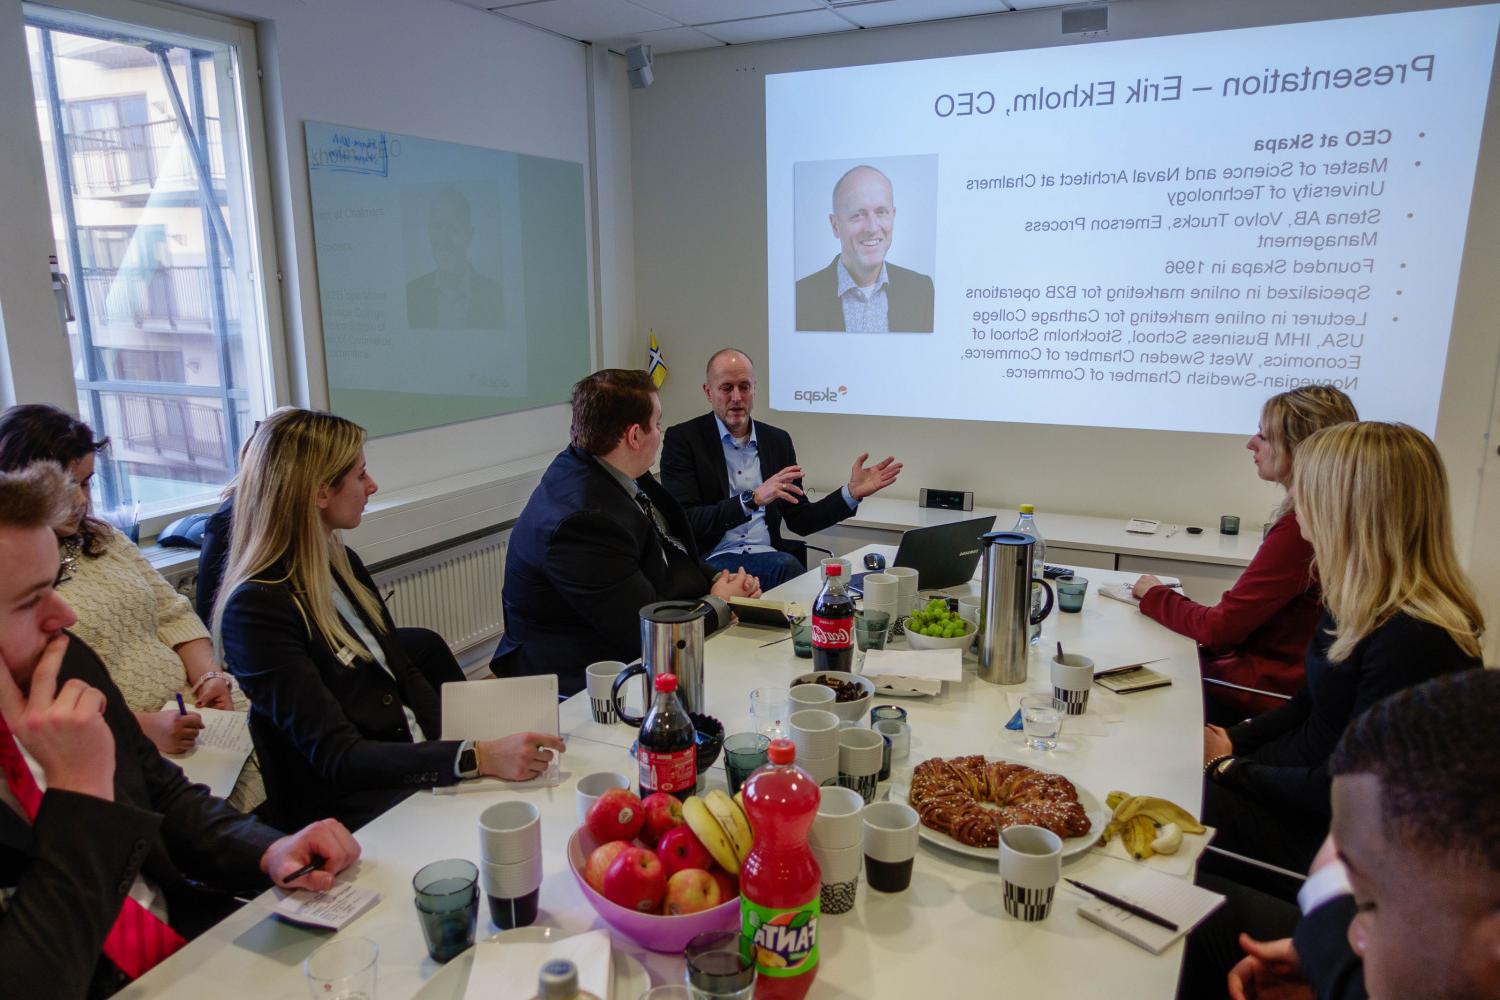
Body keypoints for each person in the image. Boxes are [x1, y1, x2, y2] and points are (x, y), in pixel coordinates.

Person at [0, 461, 360, 998]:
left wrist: (267, 849)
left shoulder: (60, 660)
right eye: (30, 601)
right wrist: (83, 799)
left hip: (184, 947)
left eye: (53, 586)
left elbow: (162, 792)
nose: (65, 616)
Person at [214, 409, 561, 831]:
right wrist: (476, 757)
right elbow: (338, 756)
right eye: (360, 475)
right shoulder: (256, 611)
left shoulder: (342, 564)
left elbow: (405, 673)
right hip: (359, 812)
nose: (372, 486)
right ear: (321, 491)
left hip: (413, 770)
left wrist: (467, 748)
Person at [1200, 422, 1483, 882]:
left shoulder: (1416, 638)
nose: (1296, 507)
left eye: (1307, 493)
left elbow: (1349, 790)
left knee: (1159, 795)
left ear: (1345, 509)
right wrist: (1236, 744)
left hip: (1325, 836)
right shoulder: (1356, 601)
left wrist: (1227, 767)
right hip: (1288, 782)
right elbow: (1311, 706)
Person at [0, 404, 262, 811]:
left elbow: (173, 613)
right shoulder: (13, 576)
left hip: (203, 715)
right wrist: (142, 729)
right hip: (130, 742)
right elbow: (31, 717)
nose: (80, 501)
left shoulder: (104, 539)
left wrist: (209, 675)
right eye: (67, 485)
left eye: (87, 483)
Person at [492, 369, 762, 695]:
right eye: (658, 423)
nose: (661, 433)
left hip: (634, 633)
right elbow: (644, 633)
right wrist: (718, 603)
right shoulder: (581, 522)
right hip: (577, 681)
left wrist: (716, 580)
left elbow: (668, 546)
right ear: (634, 436)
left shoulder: (608, 466)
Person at [1131, 385, 1358, 723]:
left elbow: (1220, 629)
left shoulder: (1301, 532)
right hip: (1274, 688)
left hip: (1258, 698)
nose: (1251, 444)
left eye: (1264, 437)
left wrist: (1155, 594)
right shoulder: (1334, 518)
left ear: (1300, 450)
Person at [661, 348, 902, 589]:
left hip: (768, 555)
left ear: (754, 388)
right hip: (713, 561)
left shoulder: (776, 441)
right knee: (789, 570)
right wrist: (752, 499)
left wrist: (851, 493)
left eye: (744, 387)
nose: (736, 397)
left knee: (809, 577)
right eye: (726, 388)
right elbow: (687, 521)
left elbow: (801, 520)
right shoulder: (684, 440)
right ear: (708, 392)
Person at [795, 164, 934, 333]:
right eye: (857, 215)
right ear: (835, 226)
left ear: (893, 216)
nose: (872, 228)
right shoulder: (800, 297)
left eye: (881, 212)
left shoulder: (921, 291)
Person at [405, 186, 505, 329]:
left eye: (454, 228)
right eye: (437, 227)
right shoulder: (412, 294)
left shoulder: (496, 297)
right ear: (429, 232)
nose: (443, 240)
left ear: (469, 236)